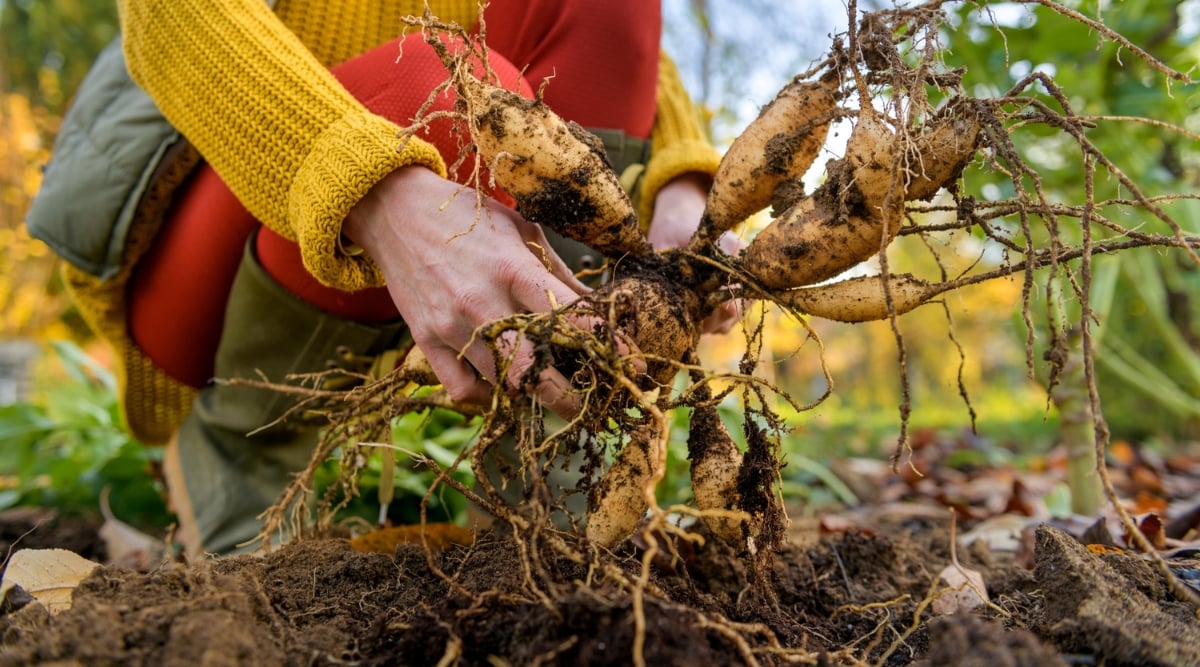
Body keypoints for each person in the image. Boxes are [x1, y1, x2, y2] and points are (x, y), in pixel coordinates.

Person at [45, 0, 736, 556]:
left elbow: (619, 47)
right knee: (438, 79)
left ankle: (549, 470)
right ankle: (246, 448)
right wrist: (372, 189)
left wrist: (680, 184)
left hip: (451, 195)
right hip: (213, 222)